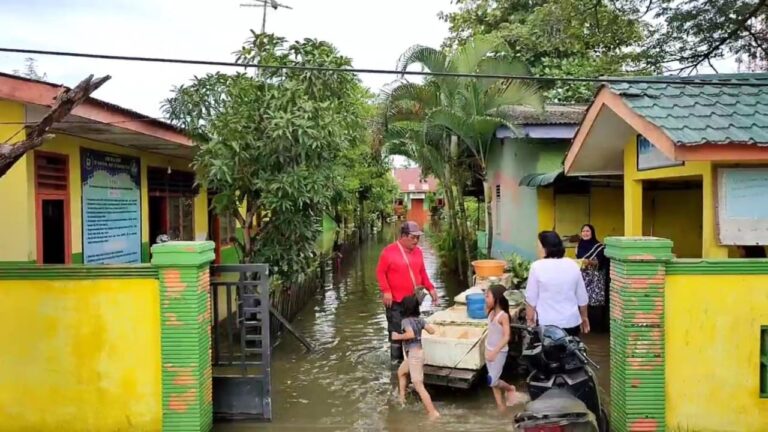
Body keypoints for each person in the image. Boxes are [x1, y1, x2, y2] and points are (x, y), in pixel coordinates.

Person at [377, 221, 439, 361]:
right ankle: (396, 365)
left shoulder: (418, 252)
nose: (416, 241)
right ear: (403, 236)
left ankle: (412, 361)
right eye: (413, 237)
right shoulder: (389, 251)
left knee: (414, 332)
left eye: (418, 237)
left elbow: (422, 272)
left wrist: (431, 288)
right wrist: (386, 290)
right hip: (395, 302)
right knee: (396, 333)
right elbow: (380, 273)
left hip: (412, 301)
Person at [525, 231, 590, 337]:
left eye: (539, 246)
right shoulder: (572, 264)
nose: (537, 249)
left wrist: (530, 320)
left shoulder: (536, 267)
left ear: (545, 248)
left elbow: (531, 299)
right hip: (571, 322)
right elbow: (582, 297)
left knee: (550, 353)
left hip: (547, 325)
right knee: (570, 352)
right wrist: (584, 316)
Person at [391, 295, 440, 419]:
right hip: (419, 353)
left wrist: (397, 337)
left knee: (418, 385)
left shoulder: (405, 321)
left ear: (405, 308)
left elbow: (410, 334)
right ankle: (402, 399)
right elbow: (432, 331)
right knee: (401, 372)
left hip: (413, 356)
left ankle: (432, 412)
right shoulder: (421, 320)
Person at [484, 284, 519, 411]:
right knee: (493, 378)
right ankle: (500, 406)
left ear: (497, 298)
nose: (485, 299)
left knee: (492, 381)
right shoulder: (491, 312)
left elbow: (506, 336)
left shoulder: (503, 316)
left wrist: (495, 351)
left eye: (488, 296)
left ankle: (510, 388)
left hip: (498, 352)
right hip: (488, 349)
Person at [576, 224, 609, 332]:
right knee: (582, 301)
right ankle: (584, 326)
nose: (585, 233)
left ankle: (596, 329)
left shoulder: (599, 247)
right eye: (583, 231)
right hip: (583, 277)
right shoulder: (579, 245)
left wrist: (589, 262)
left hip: (595, 279)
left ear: (592, 233)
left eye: (588, 231)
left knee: (594, 304)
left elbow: (600, 262)